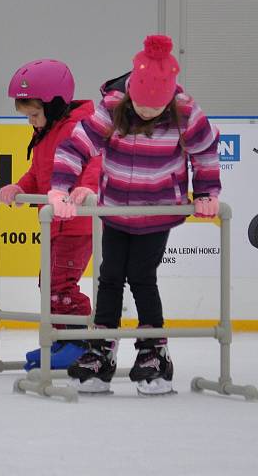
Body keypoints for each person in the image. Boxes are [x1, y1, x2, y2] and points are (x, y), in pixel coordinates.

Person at [47, 35, 221, 395]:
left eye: (154, 108)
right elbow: (76, 146)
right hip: (115, 210)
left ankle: (153, 351)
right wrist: (60, 188)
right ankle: (101, 350)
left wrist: (205, 193)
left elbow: (205, 151)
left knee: (142, 276)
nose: (146, 112)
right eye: (140, 105)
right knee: (109, 276)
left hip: (157, 211)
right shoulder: (111, 108)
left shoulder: (186, 112)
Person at [0, 59, 101, 370]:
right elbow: (38, 173)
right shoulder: (47, 133)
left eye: (33, 115)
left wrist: (84, 190)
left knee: (60, 283)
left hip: (77, 224)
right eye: (27, 117)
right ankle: (61, 339)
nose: (31, 122)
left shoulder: (76, 130)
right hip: (56, 223)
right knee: (50, 283)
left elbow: (95, 163)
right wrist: (18, 187)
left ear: (54, 105)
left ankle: (82, 343)